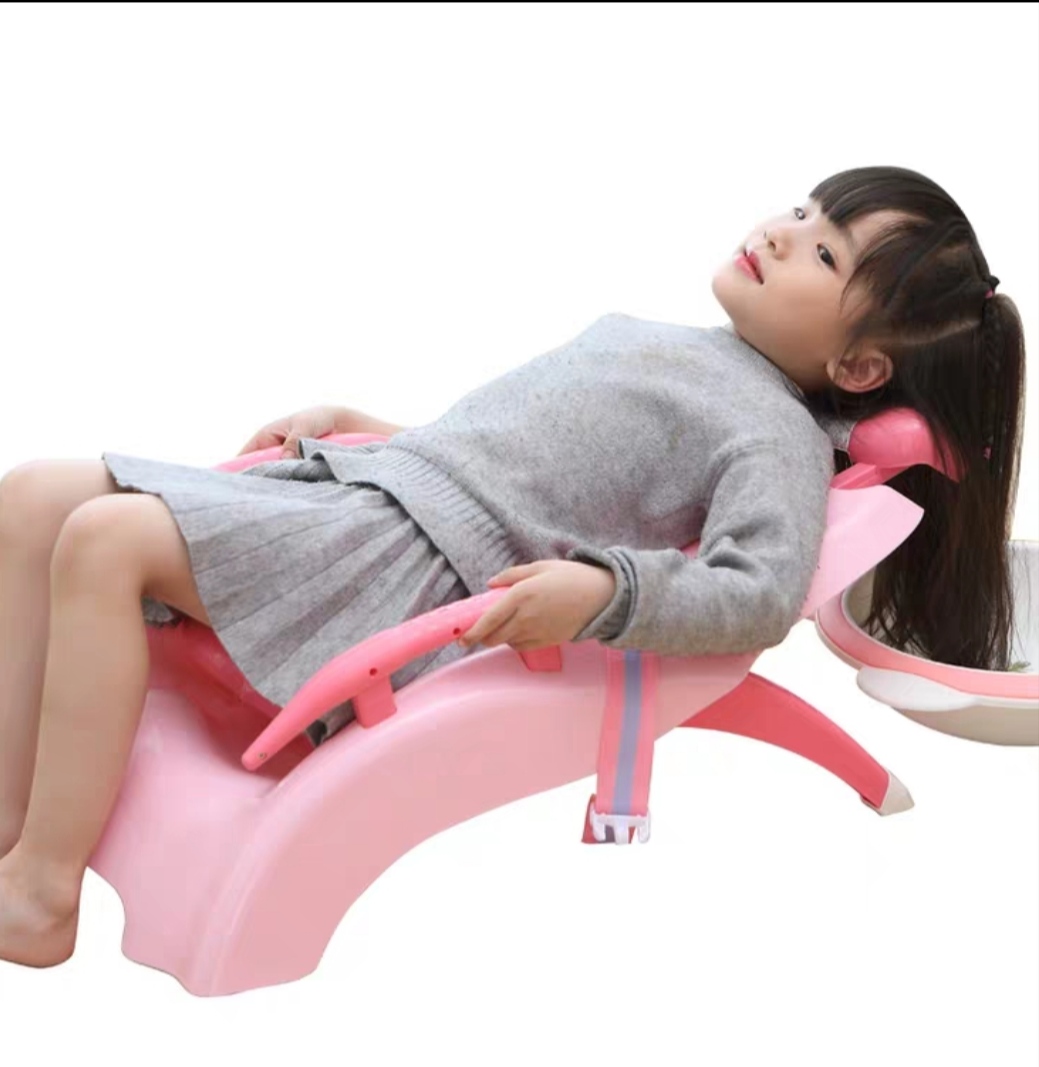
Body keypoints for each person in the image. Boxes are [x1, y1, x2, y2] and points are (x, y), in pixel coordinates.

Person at [0, 165, 1026, 967]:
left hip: (398, 568)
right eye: (801, 210)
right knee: (35, 494)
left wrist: (606, 593)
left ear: (857, 366)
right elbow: (514, 458)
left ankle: (43, 893)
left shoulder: (773, 439)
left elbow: (755, 594)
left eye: (824, 253)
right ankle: (10, 816)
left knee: (104, 540)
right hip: (375, 494)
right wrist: (369, 428)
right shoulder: (683, 345)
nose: (781, 232)